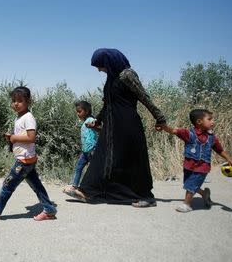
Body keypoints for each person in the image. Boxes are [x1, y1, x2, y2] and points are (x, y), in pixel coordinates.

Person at [65, 48, 166, 207]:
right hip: (111, 127)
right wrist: (98, 122)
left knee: (133, 160)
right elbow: (108, 104)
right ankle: (91, 192)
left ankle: (146, 196)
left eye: (100, 65)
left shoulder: (127, 74)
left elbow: (143, 96)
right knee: (102, 157)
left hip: (127, 125)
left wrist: (159, 117)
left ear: (109, 62)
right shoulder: (111, 78)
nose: (99, 69)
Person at [0, 86, 57, 221]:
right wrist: (12, 138)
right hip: (27, 160)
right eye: (13, 100)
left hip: (24, 161)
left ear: (28, 102)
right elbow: (23, 136)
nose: (16, 103)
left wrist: (14, 138)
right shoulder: (19, 117)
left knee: (7, 185)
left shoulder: (28, 117)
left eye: (20, 100)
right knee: (36, 186)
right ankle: (49, 210)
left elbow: (31, 137)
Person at [157, 109, 232, 212]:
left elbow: (219, 150)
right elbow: (173, 131)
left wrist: (228, 157)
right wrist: (163, 127)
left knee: (191, 185)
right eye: (209, 119)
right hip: (189, 165)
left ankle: (187, 204)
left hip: (202, 167)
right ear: (199, 122)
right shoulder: (188, 134)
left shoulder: (212, 138)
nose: (213, 122)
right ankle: (204, 194)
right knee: (188, 184)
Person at [63, 101, 98, 194]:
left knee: (93, 171)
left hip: (92, 150)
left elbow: (100, 128)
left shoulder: (91, 120)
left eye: (79, 111)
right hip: (85, 151)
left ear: (86, 111)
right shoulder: (85, 122)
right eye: (77, 112)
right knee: (78, 167)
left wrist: (93, 126)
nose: (78, 114)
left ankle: (94, 189)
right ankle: (74, 186)